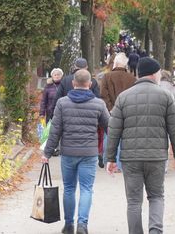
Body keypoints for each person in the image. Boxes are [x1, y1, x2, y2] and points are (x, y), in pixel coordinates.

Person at [106, 57, 175, 234]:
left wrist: (110, 158)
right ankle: (155, 231)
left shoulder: (123, 97)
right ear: (154, 74)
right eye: (158, 72)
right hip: (156, 157)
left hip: (130, 158)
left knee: (134, 201)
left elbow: (114, 130)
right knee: (156, 196)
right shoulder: (165, 96)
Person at [43, 69, 110, 234]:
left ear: (73, 84)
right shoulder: (99, 104)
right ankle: (82, 225)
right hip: (89, 153)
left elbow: (55, 131)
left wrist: (47, 153)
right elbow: (110, 128)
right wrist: (113, 154)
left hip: (68, 153)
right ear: (90, 84)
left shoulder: (62, 103)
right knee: (87, 188)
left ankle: (69, 225)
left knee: (69, 188)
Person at [99, 52, 137, 171]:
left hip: (111, 111)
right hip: (127, 111)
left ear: (115, 63)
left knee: (109, 136)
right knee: (125, 138)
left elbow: (103, 95)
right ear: (126, 65)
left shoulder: (107, 77)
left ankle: (108, 161)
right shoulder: (132, 78)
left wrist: (110, 108)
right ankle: (121, 164)